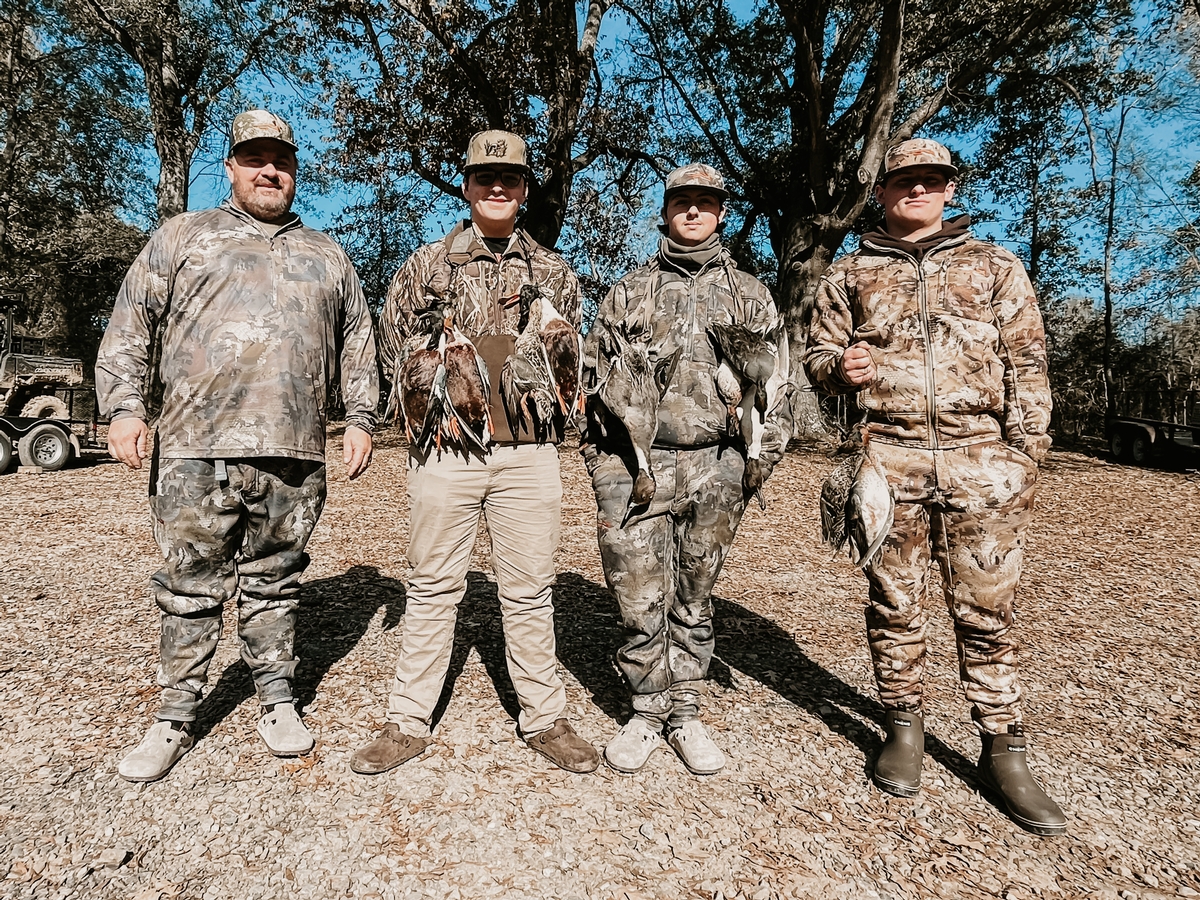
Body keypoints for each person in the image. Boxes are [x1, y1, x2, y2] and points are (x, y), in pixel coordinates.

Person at [96, 110, 379, 783]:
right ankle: (174, 716)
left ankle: (277, 701)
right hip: (195, 449)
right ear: (230, 167)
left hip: (294, 451)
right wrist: (125, 407)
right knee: (188, 588)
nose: (269, 171)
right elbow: (131, 324)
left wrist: (363, 417)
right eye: (255, 159)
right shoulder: (183, 237)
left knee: (275, 583)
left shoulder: (327, 254)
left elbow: (358, 340)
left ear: (295, 170)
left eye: (280, 160)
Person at [804, 138, 1067, 835]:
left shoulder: (996, 266)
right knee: (894, 602)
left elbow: (1028, 361)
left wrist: (1025, 457)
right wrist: (839, 367)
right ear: (882, 192)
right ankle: (903, 725)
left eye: (931, 180)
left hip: (982, 461)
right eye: (904, 181)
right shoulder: (850, 273)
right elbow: (817, 356)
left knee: (988, 611)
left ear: (950, 189)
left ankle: (1003, 747)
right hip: (887, 461)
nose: (916, 190)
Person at [351, 130, 599, 775]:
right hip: (445, 455)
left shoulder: (554, 273)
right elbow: (391, 349)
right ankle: (408, 720)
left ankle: (544, 717)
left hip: (530, 455)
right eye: (485, 176)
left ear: (524, 190)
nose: (497, 187)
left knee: (530, 590)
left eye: (510, 178)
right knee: (432, 586)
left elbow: (569, 366)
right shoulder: (426, 265)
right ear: (465, 185)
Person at [581, 164, 793, 775]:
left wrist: (752, 464)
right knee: (638, 597)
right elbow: (593, 383)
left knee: (695, 594)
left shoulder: (750, 294)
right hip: (636, 467)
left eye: (705, 202)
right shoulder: (629, 292)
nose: (693, 211)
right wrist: (606, 468)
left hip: (717, 465)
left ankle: (687, 712)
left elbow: (781, 386)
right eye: (682, 201)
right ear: (666, 210)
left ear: (721, 212)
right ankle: (647, 711)